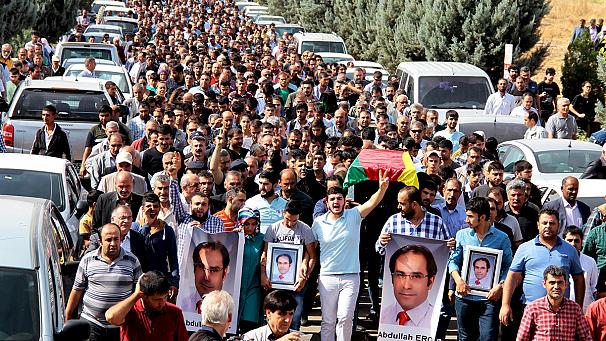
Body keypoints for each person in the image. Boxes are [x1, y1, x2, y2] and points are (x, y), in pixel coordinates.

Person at [312, 170, 389, 341]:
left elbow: (371, 203)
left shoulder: (354, 215)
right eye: (332, 199)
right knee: (328, 321)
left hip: (351, 277)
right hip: (327, 278)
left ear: (344, 201)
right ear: (327, 202)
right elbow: (311, 250)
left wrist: (382, 189)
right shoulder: (318, 223)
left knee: (346, 319)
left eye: (339, 198)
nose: (336, 202)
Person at [500, 209, 586, 329]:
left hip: (561, 310)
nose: (548, 226)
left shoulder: (570, 250)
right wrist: (505, 305)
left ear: (558, 226)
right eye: (544, 223)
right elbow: (512, 277)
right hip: (530, 308)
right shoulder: (525, 248)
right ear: (538, 225)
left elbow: (579, 279)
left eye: (552, 223)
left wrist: (578, 307)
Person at [449, 197, 513, 341]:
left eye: (470, 216)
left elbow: (509, 266)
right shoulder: (461, 235)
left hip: (488, 299)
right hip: (464, 297)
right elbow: (453, 262)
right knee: (465, 338)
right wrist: (458, 281)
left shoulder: (502, 238)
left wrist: (501, 286)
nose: (466, 220)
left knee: (487, 337)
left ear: (482, 217)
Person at [65, 223, 142, 341]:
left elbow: (138, 293)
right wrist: (68, 317)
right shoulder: (88, 260)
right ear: (100, 241)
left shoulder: (132, 261)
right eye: (108, 240)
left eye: (116, 239)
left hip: (121, 327)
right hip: (91, 324)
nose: (113, 243)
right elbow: (77, 290)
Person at [105, 271, 188, 341]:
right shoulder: (130, 310)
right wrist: (135, 295)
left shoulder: (175, 312)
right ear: (143, 296)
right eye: (157, 299)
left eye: (165, 297)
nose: (162, 303)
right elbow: (111, 317)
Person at [517, 265, 592, 341]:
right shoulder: (532, 308)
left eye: (560, 282)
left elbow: (585, 337)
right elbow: (522, 338)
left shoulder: (574, 309)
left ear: (566, 284)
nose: (556, 286)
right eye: (552, 283)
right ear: (544, 284)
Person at [132, 192, 180, 300]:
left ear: (159, 209)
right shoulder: (135, 228)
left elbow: (173, 259)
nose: (152, 209)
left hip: (160, 279)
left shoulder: (167, 230)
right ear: (142, 208)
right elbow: (137, 249)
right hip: (140, 280)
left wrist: (174, 282)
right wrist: (146, 225)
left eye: (155, 206)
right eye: (148, 206)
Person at [379, 245, 437, 328]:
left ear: (430, 282)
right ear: (392, 279)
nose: (406, 286)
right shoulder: (384, 316)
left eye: (416, 276)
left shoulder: (436, 321)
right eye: (400, 275)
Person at [180, 241, 230, 314]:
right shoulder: (181, 305)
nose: (207, 277)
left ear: (224, 273)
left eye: (214, 270)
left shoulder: (230, 310)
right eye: (201, 266)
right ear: (194, 268)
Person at [236, 208, 265, 333]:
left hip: (254, 285)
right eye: (247, 224)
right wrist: (235, 236)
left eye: (253, 224)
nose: (250, 227)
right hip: (236, 287)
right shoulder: (234, 237)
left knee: (250, 323)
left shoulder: (263, 239)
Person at [564, 226, 598, 313]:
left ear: (581, 242)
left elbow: (594, 288)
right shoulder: (559, 260)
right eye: (569, 240)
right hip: (564, 310)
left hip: (586, 309)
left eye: (576, 241)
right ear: (564, 241)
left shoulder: (590, 261)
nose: (573, 244)